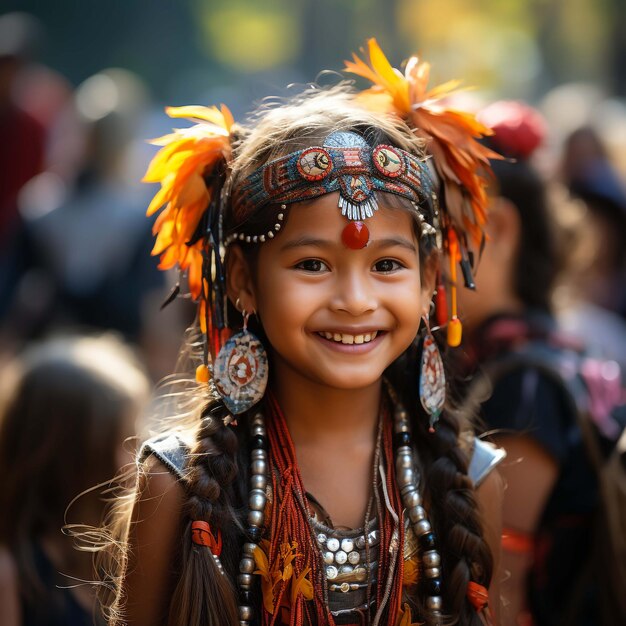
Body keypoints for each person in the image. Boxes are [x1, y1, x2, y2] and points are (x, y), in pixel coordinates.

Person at [94, 40, 505, 626]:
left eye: (387, 265)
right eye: (312, 265)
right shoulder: (177, 488)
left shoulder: (472, 482)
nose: (355, 301)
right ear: (243, 280)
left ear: (428, 281)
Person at [454, 101, 619, 626]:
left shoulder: (522, 383)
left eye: (433, 227)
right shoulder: (564, 355)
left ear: (498, 230)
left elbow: (505, 591)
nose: (413, 254)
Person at [0, 334, 150, 626]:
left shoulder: (125, 561)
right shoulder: (12, 576)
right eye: (124, 441)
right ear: (70, 460)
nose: (141, 459)